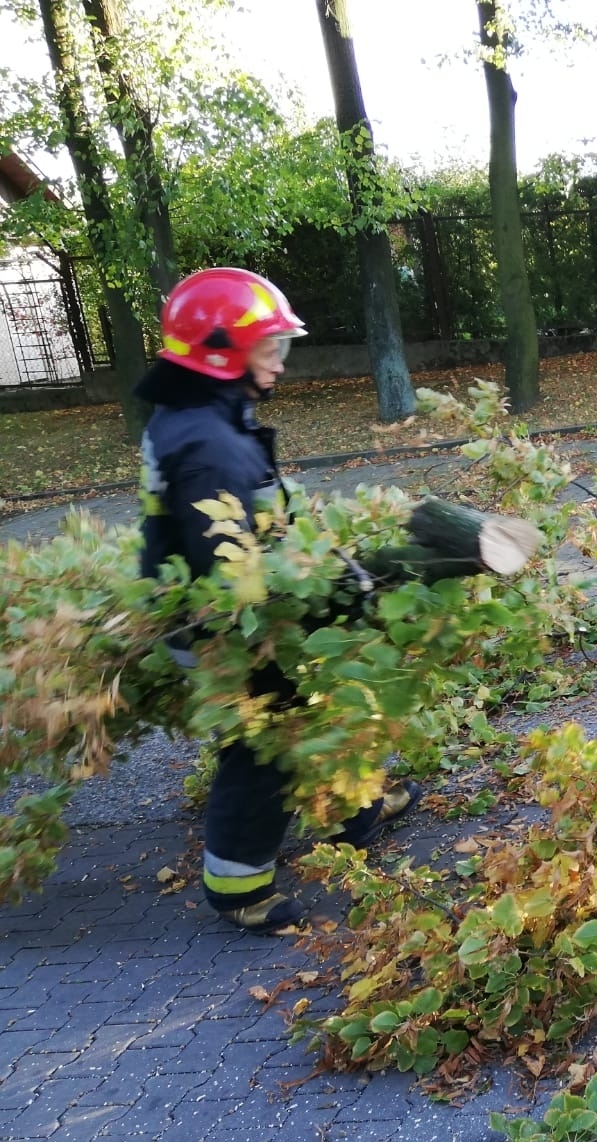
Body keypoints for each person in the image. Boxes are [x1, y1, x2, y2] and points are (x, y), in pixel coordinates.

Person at [138, 267, 418, 933]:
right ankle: (240, 890)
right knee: (261, 745)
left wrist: (318, 567)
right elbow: (233, 574)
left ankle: (357, 804)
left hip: (237, 615)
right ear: (221, 354)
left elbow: (256, 526)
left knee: (321, 700)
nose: (281, 366)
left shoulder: (203, 418)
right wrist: (327, 597)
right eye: (271, 350)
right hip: (222, 631)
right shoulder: (207, 446)